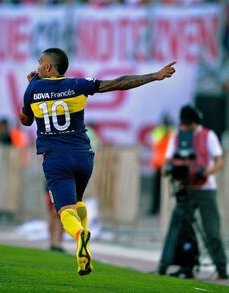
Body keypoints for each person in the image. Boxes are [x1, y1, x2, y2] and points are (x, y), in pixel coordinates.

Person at [19, 47, 176, 275]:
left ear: (48, 67)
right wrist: (154, 76)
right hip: (83, 156)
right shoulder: (77, 84)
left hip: (56, 158)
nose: (38, 65)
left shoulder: (33, 89)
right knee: (78, 200)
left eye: (40, 62)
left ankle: (79, 235)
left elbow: (25, 120)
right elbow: (119, 83)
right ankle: (85, 248)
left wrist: (31, 86)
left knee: (64, 211)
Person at [158, 105, 227, 280]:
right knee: (182, 230)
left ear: (195, 122)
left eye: (189, 124)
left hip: (205, 189)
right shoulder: (176, 137)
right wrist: (168, 169)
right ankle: (185, 266)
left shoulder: (208, 136)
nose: (186, 128)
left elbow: (219, 161)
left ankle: (221, 267)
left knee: (212, 230)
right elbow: (167, 161)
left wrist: (205, 172)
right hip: (185, 188)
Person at [149, 114, 174, 215]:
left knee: (168, 189)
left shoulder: (173, 130)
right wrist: (165, 133)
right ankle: (155, 209)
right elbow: (156, 142)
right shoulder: (159, 131)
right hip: (159, 164)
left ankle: (167, 210)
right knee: (156, 189)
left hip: (169, 163)